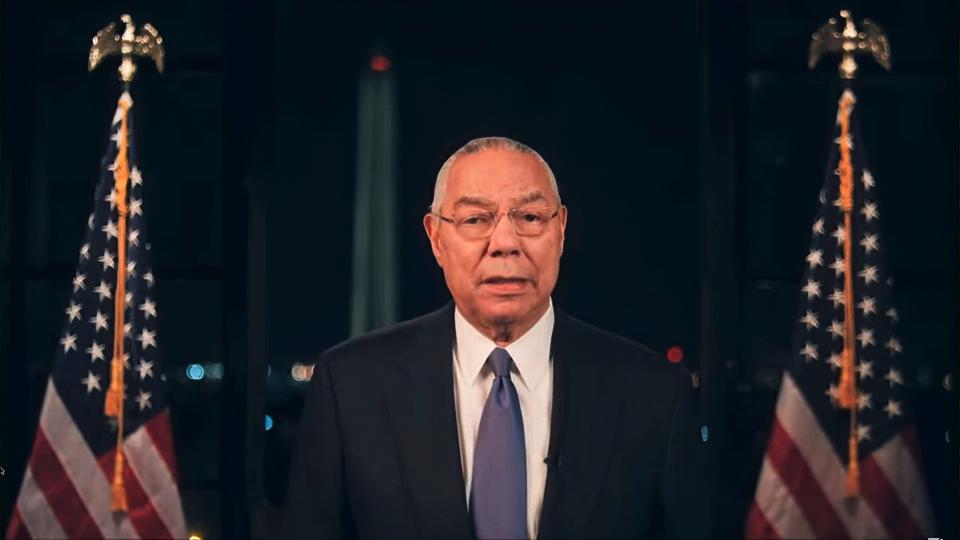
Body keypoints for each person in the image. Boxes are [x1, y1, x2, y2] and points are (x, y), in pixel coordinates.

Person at [283, 137, 711, 539]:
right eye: (475, 219)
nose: (505, 243)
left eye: (529, 217)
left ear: (560, 230)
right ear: (436, 238)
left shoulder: (654, 393)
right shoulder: (350, 386)